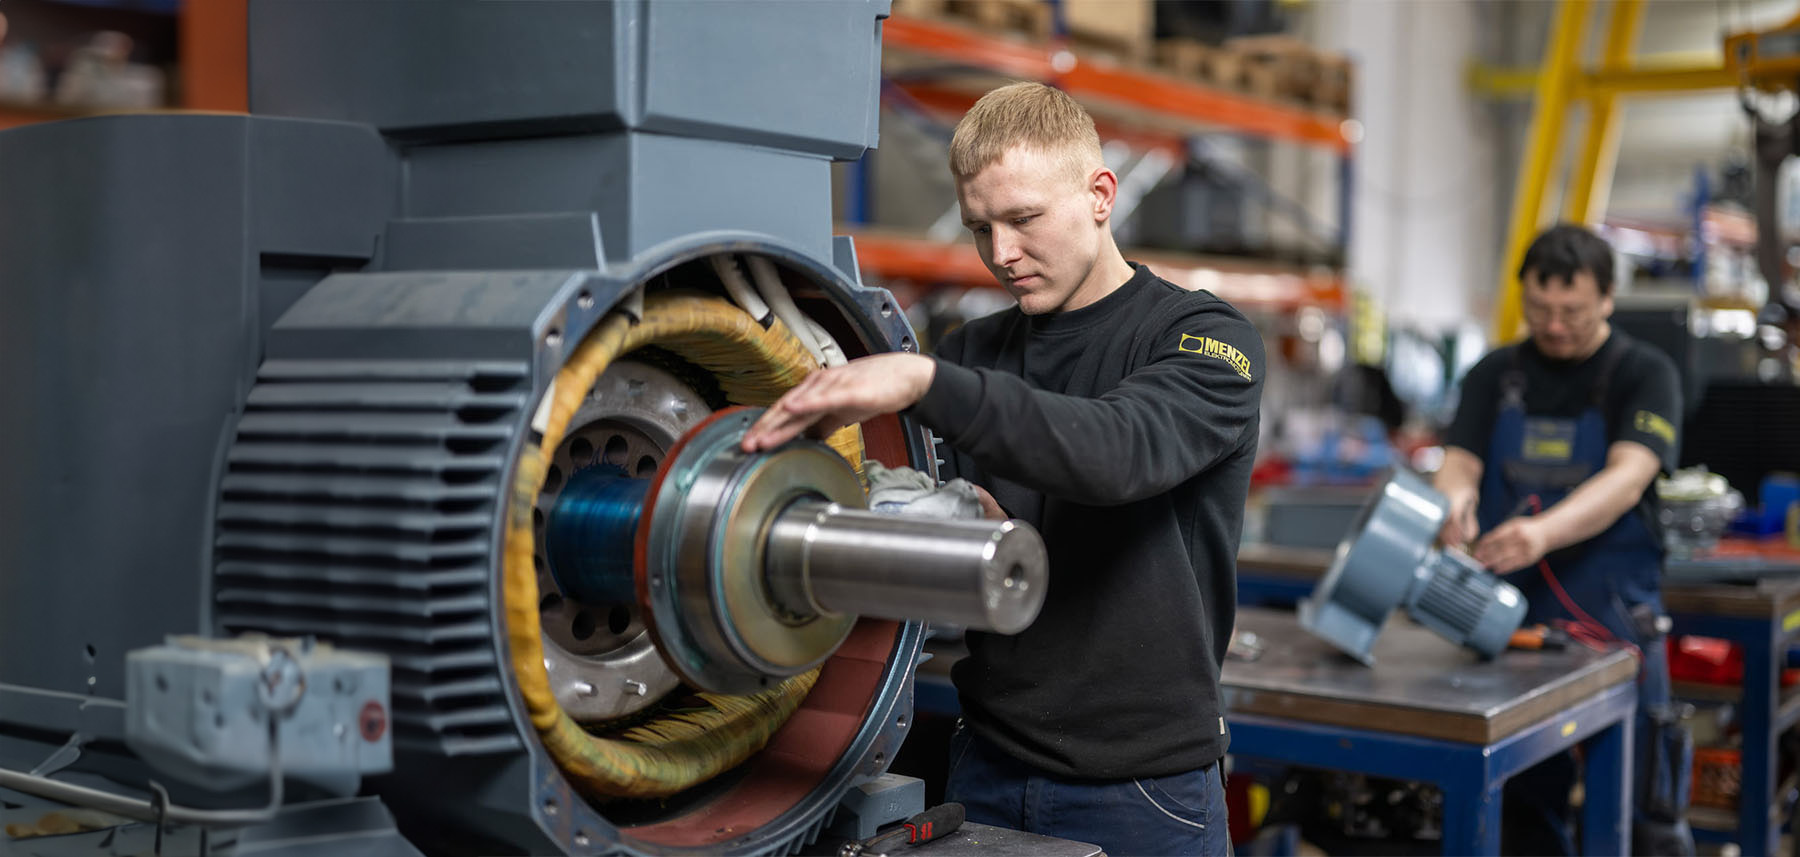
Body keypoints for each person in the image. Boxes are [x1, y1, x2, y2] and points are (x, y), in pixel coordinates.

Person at [742, 82, 1264, 855]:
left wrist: (922, 383)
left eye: (1023, 219)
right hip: (983, 770)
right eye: (980, 227)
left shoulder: (1202, 338)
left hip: (1145, 793)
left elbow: (1116, 450)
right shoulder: (974, 351)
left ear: (1100, 194)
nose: (1001, 254)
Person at [1434, 223, 1692, 856]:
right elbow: (1459, 463)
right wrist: (1452, 510)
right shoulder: (1496, 373)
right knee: (1523, 802)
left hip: (1612, 611)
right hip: (1509, 619)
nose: (1552, 326)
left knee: (1642, 804)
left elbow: (1629, 476)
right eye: (1538, 310)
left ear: (1607, 298)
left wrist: (1542, 533)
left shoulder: (1645, 372)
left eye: (1570, 312)